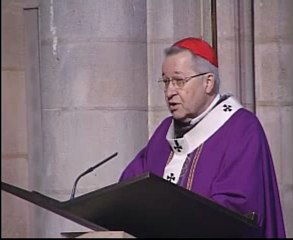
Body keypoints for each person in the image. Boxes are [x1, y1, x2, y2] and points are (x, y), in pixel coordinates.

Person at [119, 37, 286, 238]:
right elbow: (129, 188)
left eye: (179, 81)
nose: (170, 92)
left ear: (208, 82)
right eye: (166, 82)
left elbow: (237, 208)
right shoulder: (164, 131)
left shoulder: (242, 128)